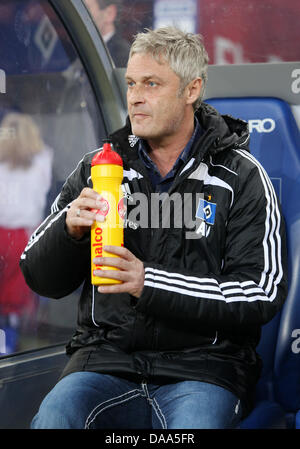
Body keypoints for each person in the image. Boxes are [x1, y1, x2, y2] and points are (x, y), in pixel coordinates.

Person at [20, 27, 287, 429]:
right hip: (104, 361)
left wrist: (149, 283)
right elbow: (40, 278)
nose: (135, 96)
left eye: (151, 83)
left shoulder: (241, 177)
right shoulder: (99, 169)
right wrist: (68, 232)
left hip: (203, 369)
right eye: (131, 83)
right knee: (55, 418)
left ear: (191, 90)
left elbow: (260, 292)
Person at [0, 112, 53, 353]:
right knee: (16, 299)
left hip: (2, 233)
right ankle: (10, 343)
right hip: (24, 237)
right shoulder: (43, 159)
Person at [84, 0, 130, 67]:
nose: (80, 15)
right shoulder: (81, 46)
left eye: (86, 9)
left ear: (109, 13)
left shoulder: (123, 57)